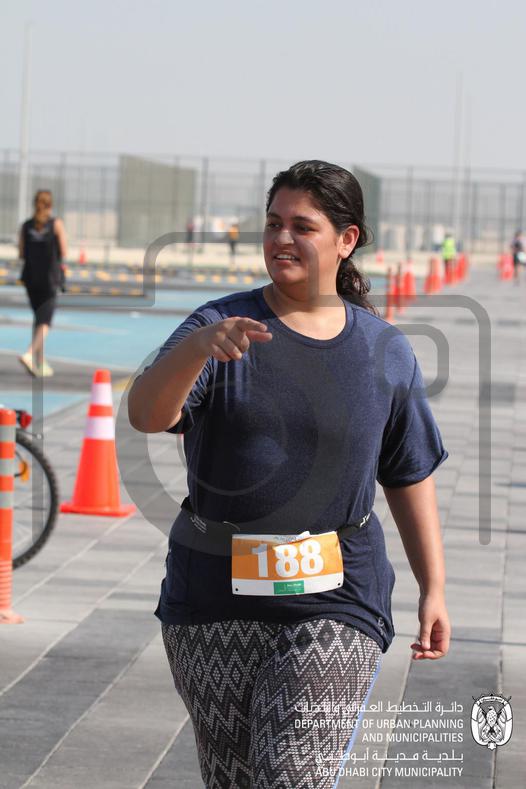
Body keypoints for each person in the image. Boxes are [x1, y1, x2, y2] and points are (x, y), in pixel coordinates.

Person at [128, 160, 450, 788]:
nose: (281, 238)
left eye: (302, 226)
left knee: (291, 774)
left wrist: (432, 586)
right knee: (234, 777)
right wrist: (196, 350)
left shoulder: (385, 349)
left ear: (346, 239)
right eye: (273, 223)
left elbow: (408, 472)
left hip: (338, 596)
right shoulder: (217, 327)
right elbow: (147, 414)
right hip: (213, 599)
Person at [18, 190, 67, 377]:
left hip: (31, 279)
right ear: (50, 205)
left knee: (38, 318)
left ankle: (39, 361)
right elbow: (64, 250)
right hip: (49, 279)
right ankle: (30, 353)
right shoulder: (56, 224)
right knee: (45, 321)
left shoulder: (26, 226)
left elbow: (21, 253)